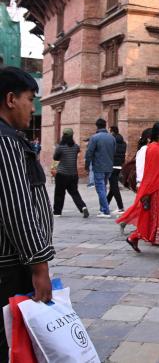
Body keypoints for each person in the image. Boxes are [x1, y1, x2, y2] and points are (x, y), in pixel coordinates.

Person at [0, 67, 54, 362]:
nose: (32, 107)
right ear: (11, 99)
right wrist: (39, 265)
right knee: (10, 342)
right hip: (11, 266)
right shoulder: (6, 142)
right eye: (30, 99)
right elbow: (16, 210)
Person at [117, 123, 159, 257]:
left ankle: (133, 238)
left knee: (154, 219)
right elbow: (150, 172)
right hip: (157, 189)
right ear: (158, 134)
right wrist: (145, 189)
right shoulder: (152, 149)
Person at [53, 128, 89, 218]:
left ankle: (57, 212)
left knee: (59, 194)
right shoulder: (76, 147)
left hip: (61, 174)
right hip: (73, 174)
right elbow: (76, 152)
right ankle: (83, 207)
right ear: (72, 136)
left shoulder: (60, 147)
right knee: (74, 193)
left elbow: (55, 158)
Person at [85, 118, 116, 218]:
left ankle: (106, 210)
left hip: (98, 166)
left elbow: (89, 152)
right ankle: (102, 209)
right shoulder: (112, 138)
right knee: (104, 187)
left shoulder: (94, 138)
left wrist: (87, 165)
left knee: (101, 189)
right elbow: (114, 151)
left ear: (97, 126)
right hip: (109, 166)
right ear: (105, 125)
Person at [107, 126, 127, 214]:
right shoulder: (123, 142)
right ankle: (105, 204)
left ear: (112, 132)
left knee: (114, 187)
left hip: (112, 166)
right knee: (113, 186)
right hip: (119, 166)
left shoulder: (112, 141)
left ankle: (120, 207)